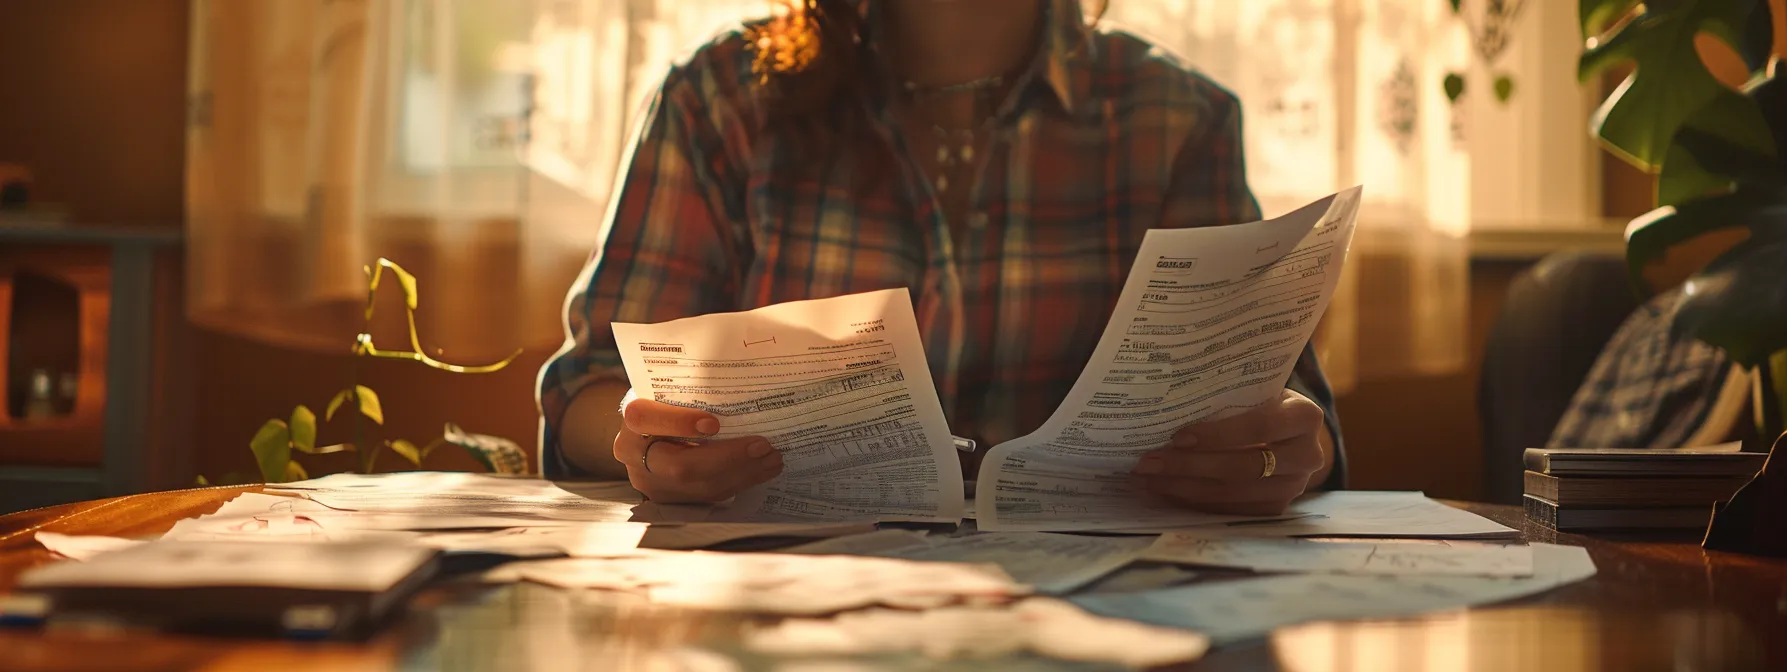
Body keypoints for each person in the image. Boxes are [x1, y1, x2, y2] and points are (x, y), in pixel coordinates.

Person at [538, 0, 1344, 516]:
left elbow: (1279, 401)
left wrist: (1289, 449)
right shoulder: (719, 98)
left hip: (1109, 618)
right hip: (783, 611)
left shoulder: (1175, 117)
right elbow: (590, 387)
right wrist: (646, 441)